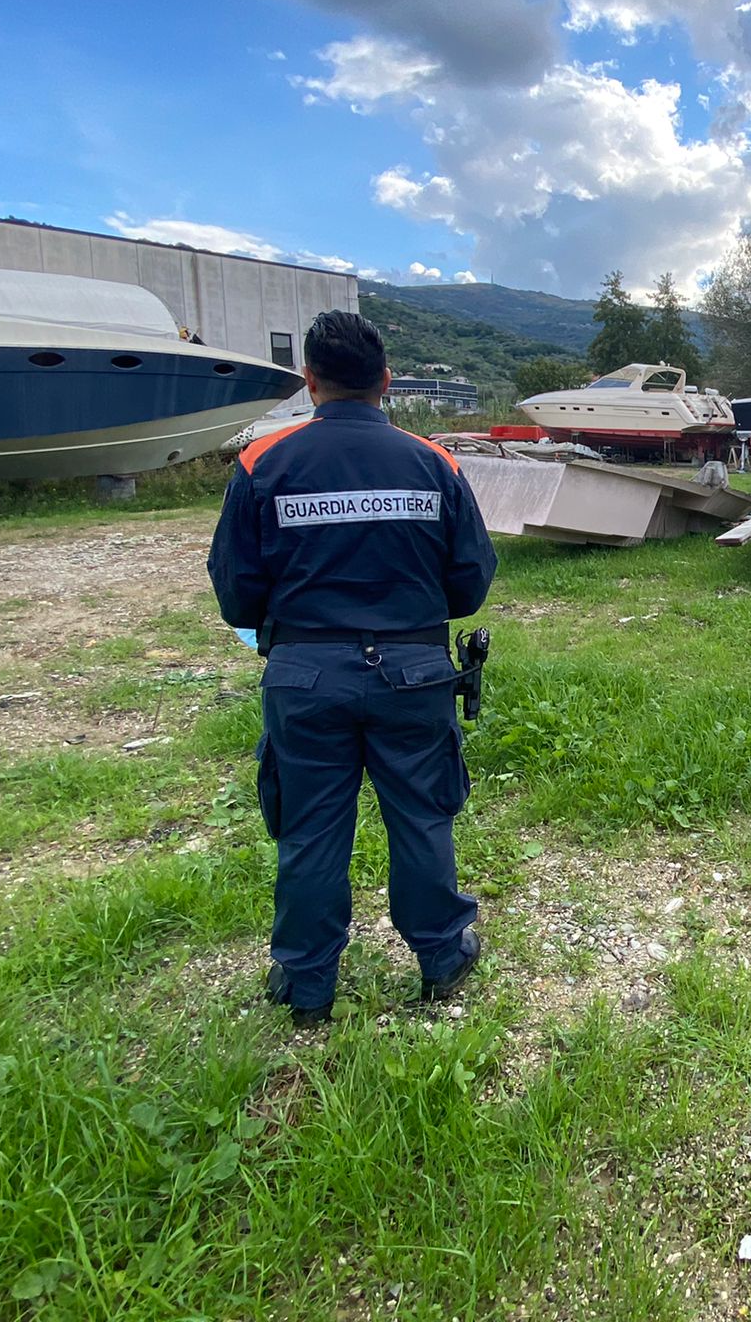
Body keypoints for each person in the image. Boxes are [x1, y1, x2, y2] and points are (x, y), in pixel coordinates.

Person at [207, 310, 496, 1028]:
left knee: (308, 829)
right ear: (387, 383)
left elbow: (235, 591)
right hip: (414, 673)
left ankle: (305, 983)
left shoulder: (260, 464)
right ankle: (441, 956)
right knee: (423, 819)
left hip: (304, 675)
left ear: (310, 382)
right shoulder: (436, 463)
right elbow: (469, 583)